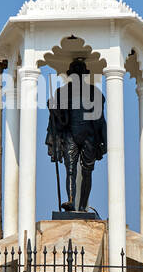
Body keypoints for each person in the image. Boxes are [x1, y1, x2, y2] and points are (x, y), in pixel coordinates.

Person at [45, 58, 107, 212]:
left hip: (89, 136)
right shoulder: (62, 93)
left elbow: (100, 120)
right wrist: (52, 109)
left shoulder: (94, 92)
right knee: (70, 170)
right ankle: (71, 202)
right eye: (75, 74)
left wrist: (104, 140)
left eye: (80, 74)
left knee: (87, 171)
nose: (77, 77)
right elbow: (60, 120)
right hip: (70, 135)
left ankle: (82, 206)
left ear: (84, 76)